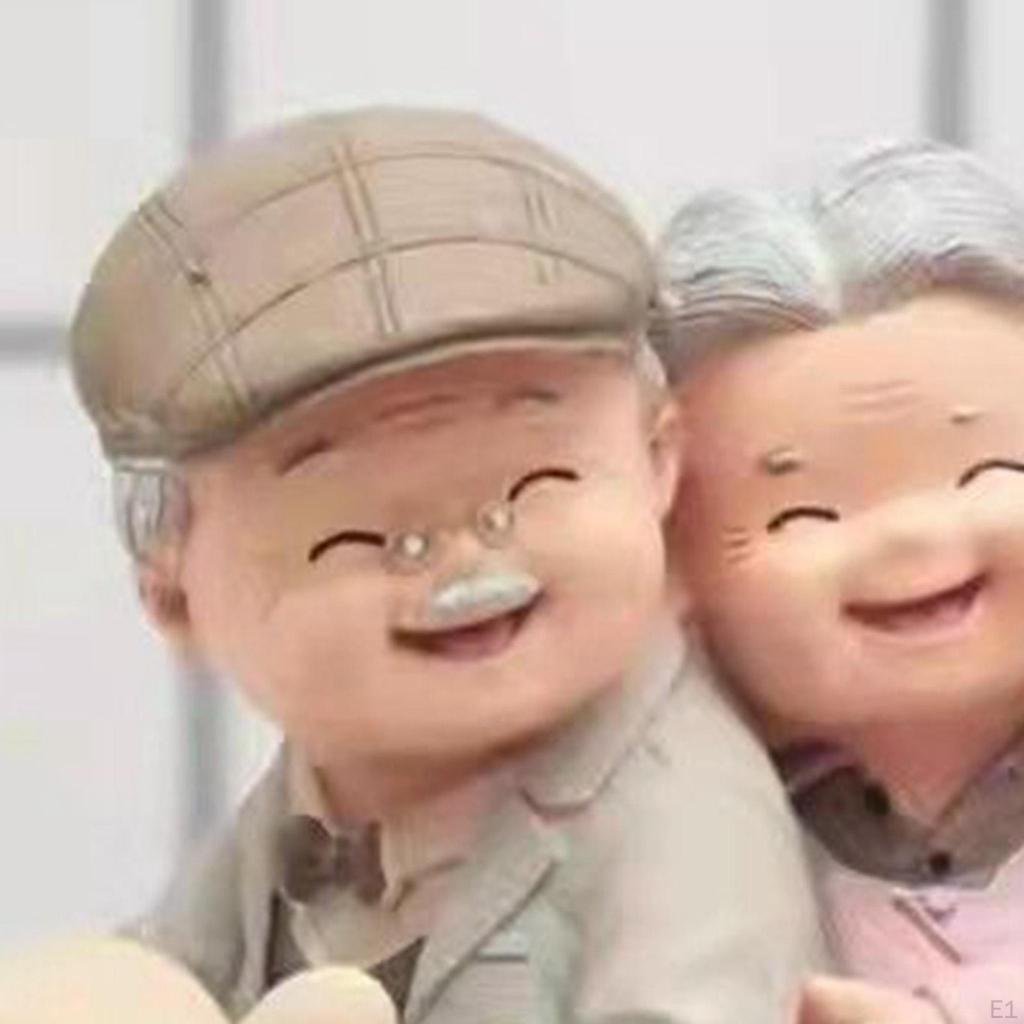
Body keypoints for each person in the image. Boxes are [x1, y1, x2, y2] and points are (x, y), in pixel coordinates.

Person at [62, 106, 824, 1022]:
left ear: (658, 461)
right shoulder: (325, 784)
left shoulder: (683, 817)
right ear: (174, 598)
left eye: (534, 488)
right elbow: (164, 972)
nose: (468, 568)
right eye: (359, 540)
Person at [655, 141, 1024, 1023]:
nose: (912, 536)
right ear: (670, 564)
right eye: (802, 515)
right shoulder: (669, 827)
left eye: (987, 472)